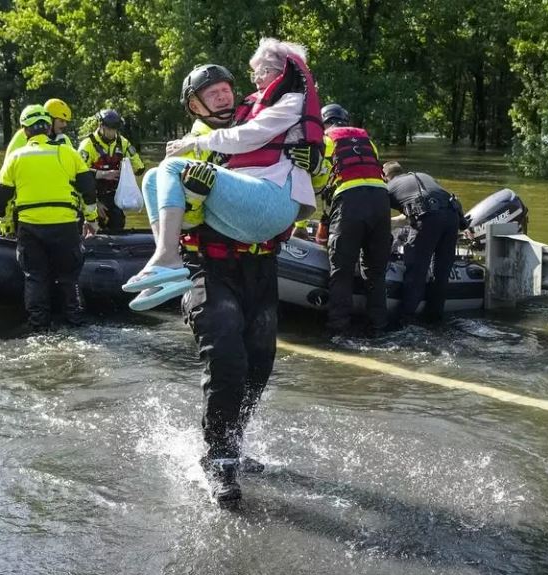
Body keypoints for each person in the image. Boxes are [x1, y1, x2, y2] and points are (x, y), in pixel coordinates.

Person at [130, 38, 322, 506]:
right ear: (194, 105)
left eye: (224, 88)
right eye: (208, 92)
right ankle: (218, 459)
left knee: (260, 362)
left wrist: (315, 160)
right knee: (227, 359)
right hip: (209, 266)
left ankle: (233, 444)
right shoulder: (192, 145)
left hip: (260, 263)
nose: (220, 95)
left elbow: (298, 165)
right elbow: (169, 191)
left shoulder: (260, 121)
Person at [0, 104, 98, 330]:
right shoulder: (68, 153)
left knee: (35, 277)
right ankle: (75, 323)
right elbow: (88, 190)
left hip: (30, 228)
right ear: (49, 127)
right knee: (69, 278)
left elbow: (1, 201)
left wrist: (6, 224)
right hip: (66, 226)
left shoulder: (15, 158)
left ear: (24, 130)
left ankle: (38, 328)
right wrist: (91, 218)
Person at [312, 103, 390, 336]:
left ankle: (338, 330)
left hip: (349, 202)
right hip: (380, 200)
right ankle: (379, 327)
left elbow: (317, 181)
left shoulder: (325, 141)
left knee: (342, 270)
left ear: (324, 122)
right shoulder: (368, 142)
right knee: (376, 271)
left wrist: (299, 225)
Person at [383, 161, 466, 324]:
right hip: (452, 217)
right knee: (441, 270)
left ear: (385, 177)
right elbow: (416, 210)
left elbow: (378, 214)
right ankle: (435, 317)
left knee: (416, 269)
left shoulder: (390, 187)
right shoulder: (422, 176)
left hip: (428, 220)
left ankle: (406, 319)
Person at [77, 109, 145, 231]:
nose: (112, 133)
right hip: (91, 196)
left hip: (113, 195)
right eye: (109, 129)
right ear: (101, 126)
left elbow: (139, 168)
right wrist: (101, 174)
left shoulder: (122, 143)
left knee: (118, 222)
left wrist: (128, 168)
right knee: (85, 222)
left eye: (115, 129)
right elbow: (78, 175)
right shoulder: (87, 146)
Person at [4, 98, 75, 159]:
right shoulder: (23, 135)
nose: (65, 124)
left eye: (66, 122)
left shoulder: (64, 139)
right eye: (61, 121)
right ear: (50, 119)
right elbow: (9, 164)